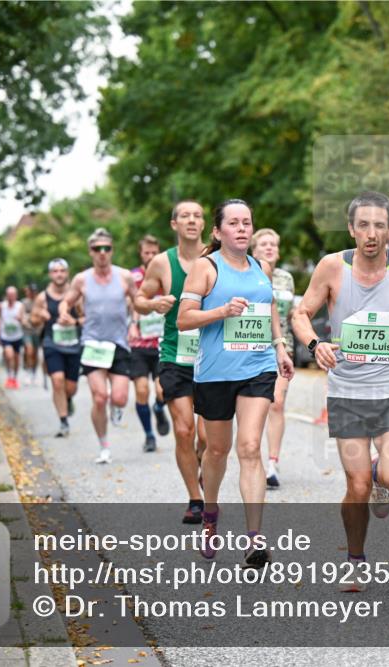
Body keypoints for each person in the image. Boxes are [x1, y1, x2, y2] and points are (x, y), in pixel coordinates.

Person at [292, 191, 389, 591]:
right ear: (351, 228)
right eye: (364, 225)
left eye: (380, 225)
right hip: (348, 392)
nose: (372, 233)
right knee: (355, 487)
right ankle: (355, 559)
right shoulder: (331, 268)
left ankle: (381, 474)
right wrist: (314, 344)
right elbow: (301, 313)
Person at [178, 199, 294, 567]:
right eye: (234, 223)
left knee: (249, 448)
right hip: (215, 373)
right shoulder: (205, 267)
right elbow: (183, 319)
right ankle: (210, 515)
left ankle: (254, 538)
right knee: (216, 451)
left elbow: (270, 307)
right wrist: (221, 311)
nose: (243, 228)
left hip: (258, 368)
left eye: (247, 222)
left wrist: (280, 346)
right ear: (218, 231)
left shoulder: (259, 267)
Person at [134, 199, 209, 523]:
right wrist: (153, 304)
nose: (191, 220)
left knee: (206, 438)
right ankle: (195, 499)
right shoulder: (162, 263)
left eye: (197, 216)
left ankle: (202, 470)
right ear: (174, 224)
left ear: (204, 224)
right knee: (183, 430)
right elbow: (138, 300)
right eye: (185, 216)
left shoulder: (216, 258)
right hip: (174, 355)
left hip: (212, 356)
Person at [58, 228, 138, 464]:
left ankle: (117, 408)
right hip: (92, 344)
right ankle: (104, 445)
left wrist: (134, 323)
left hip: (119, 343)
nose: (102, 253)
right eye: (97, 249)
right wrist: (64, 313)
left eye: (107, 248)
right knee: (100, 397)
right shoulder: (82, 279)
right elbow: (67, 301)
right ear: (90, 252)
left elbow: (138, 301)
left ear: (112, 250)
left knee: (120, 397)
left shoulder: (124, 276)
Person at [250, 228, 295, 489]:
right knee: (255, 408)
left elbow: (290, 315)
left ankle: (272, 464)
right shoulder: (246, 273)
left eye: (273, 245)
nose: (269, 248)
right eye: (264, 244)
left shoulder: (286, 278)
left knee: (277, 402)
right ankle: (251, 457)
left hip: (281, 348)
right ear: (254, 250)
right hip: (250, 348)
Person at [30, 258, 83, 438]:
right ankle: (63, 422)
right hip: (52, 344)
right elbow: (32, 321)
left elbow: (88, 319)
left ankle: (68, 399)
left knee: (71, 387)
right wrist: (40, 316)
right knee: (57, 381)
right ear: (50, 274)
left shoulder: (77, 295)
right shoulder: (42, 298)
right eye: (55, 271)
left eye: (62, 271)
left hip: (74, 345)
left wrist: (75, 321)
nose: (59, 274)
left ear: (67, 273)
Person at [128, 234, 171, 452]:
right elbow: (129, 302)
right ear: (141, 253)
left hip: (163, 342)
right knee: (142, 390)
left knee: (162, 391)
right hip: (139, 343)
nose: (151, 256)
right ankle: (148, 435)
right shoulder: (133, 276)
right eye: (147, 253)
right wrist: (131, 323)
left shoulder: (167, 272)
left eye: (154, 252)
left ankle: (158, 408)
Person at [0, 287, 26, 389]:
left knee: (16, 359)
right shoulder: (1, 306)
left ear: (16, 296)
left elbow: (23, 320)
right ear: (6, 295)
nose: (11, 297)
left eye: (13, 295)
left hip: (17, 336)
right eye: (9, 294)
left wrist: (20, 319)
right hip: (5, 336)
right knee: (9, 355)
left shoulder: (20, 306)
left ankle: (14, 378)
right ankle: (9, 376)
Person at [21, 284, 42, 385]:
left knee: (35, 353)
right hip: (27, 331)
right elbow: (22, 315)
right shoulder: (24, 302)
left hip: (37, 331)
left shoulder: (40, 302)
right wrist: (26, 322)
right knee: (29, 351)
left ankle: (34, 373)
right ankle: (28, 372)